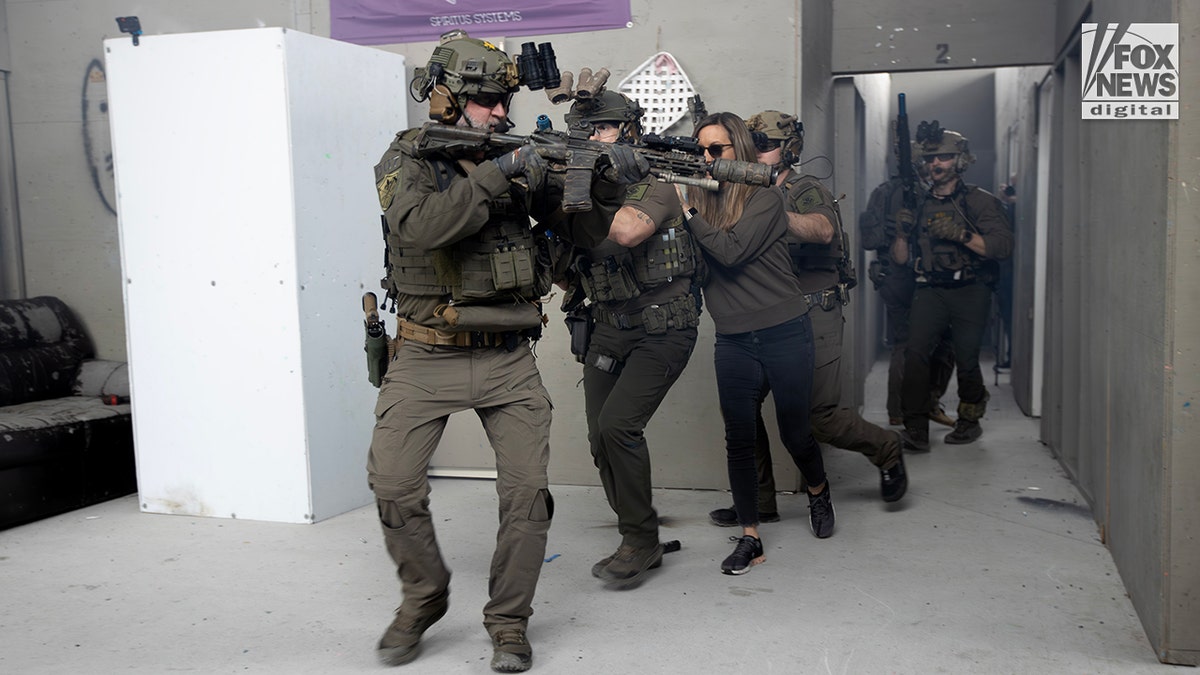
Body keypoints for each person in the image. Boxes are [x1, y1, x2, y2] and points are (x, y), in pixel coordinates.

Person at [367, 30, 644, 672]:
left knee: (526, 498)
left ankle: (509, 622)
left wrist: (605, 180)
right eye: (488, 100)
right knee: (393, 485)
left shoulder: (523, 160)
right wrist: (499, 171)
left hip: (506, 359)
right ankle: (423, 597)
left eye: (503, 100)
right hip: (424, 354)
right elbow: (421, 227)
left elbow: (584, 234)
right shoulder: (407, 158)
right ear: (445, 98)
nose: (500, 112)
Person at [703, 111, 907, 530]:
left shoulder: (803, 188)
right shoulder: (735, 191)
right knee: (741, 413)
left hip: (814, 312)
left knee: (819, 417)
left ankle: (887, 448)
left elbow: (823, 230)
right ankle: (759, 502)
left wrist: (769, 216)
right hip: (761, 318)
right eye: (751, 145)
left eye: (767, 145)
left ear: (788, 150)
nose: (757, 153)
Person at [555, 91, 701, 590]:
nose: (594, 140)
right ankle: (638, 534)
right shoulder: (577, 192)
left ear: (630, 132)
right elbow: (568, 267)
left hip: (663, 327)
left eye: (604, 130)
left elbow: (628, 234)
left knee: (619, 426)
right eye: (586, 132)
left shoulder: (653, 187)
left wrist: (577, 195)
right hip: (608, 327)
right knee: (599, 438)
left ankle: (639, 540)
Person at [677, 112, 832, 575]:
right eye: (700, 150)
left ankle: (819, 491)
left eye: (716, 150)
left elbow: (729, 252)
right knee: (739, 439)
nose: (707, 158)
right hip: (734, 339)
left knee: (794, 433)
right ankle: (750, 535)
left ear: (739, 151)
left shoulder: (767, 198)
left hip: (785, 331)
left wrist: (684, 210)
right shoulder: (703, 200)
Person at [891, 122, 1013, 451]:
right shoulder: (917, 203)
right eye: (930, 159)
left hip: (971, 290)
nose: (935, 165)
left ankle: (970, 419)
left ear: (959, 161)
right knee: (915, 353)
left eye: (943, 157)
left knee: (967, 359)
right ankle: (915, 428)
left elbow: (1002, 248)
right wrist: (902, 233)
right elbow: (901, 259)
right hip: (929, 288)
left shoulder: (980, 202)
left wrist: (962, 235)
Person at [859, 137, 957, 428]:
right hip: (903, 276)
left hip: (899, 277)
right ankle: (918, 405)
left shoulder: (885, 193)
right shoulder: (907, 193)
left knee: (908, 344)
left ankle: (903, 409)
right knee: (917, 343)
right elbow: (872, 239)